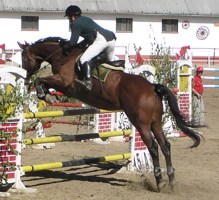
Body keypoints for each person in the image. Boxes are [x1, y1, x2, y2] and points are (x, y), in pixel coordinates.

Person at [64, 5, 117, 90]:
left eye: (69, 18)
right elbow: (89, 38)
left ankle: (88, 81)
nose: (69, 20)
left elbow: (72, 42)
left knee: (84, 59)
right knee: (107, 64)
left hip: (101, 40)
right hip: (111, 39)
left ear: (73, 17)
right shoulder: (85, 19)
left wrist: (65, 46)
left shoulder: (75, 23)